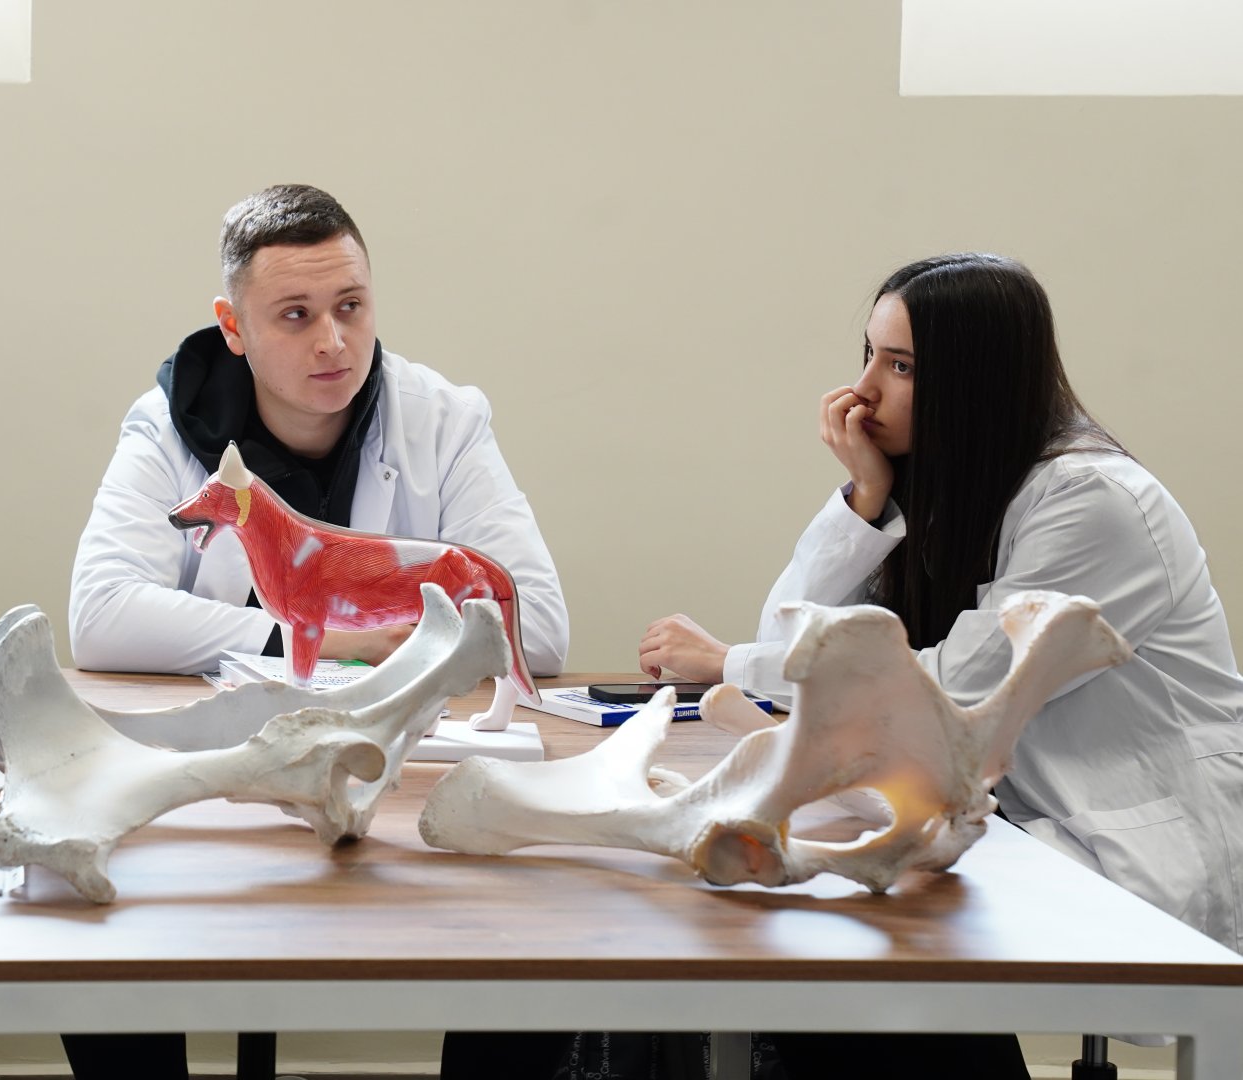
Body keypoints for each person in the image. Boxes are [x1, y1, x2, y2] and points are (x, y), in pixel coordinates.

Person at [638, 252, 1243, 1078]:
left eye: (901, 367)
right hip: (1013, 819)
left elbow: (948, 689)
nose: (861, 393)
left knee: (842, 938)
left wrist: (730, 666)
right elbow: (797, 628)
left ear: (975, 382)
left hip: (1119, 840)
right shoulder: (948, 487)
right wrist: (864, 500)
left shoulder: (1092, 501)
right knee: (803, 910)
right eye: (868, 355)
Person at [64, 184, 573, 1079]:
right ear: (233, 327)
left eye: (350, 306)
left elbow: (534, 628)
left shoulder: (443, 420)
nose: (333, 341)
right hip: (221, 792)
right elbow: (100, 616)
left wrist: (369, 636)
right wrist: (328, 639)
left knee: (540, 936)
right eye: (295, 315)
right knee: (83, 925)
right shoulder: (167, 425)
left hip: (404, 784)